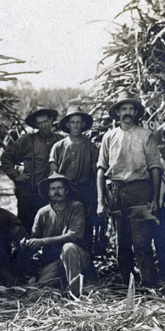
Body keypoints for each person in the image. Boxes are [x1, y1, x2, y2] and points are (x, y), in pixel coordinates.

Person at [96, 91, 165, 287]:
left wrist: (154, 198)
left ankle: (149, 283)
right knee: (122, 243)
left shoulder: (146, 135)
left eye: (131, 109)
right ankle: (126, 283)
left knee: (142, 242)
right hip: (117, 192)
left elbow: (155, 167)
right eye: (123, 109)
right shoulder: (109, 137)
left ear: (136, 112)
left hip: (139, 190)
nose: (127, 113)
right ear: (117, 113)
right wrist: (101, 201)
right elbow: (101, 169)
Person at [21, 172, 92, 298]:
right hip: (54, 262)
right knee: (36, 290)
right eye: (52, 189)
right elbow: (35, 239)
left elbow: (75, 235)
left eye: (59, 188)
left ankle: (75, 295)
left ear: (66, 191)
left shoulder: (76, 207)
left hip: (77, 258)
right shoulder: (43, 213)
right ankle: (61, 285)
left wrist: (43, 241)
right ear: (48, 192)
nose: (56, 192)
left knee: (69, 247)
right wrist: (27, 243)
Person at [0, 105, 60, 233]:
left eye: (46, 122)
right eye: (40, 123)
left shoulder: (60, 141)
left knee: (52, 229)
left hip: (53, 194)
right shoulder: (27, 141)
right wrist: (16, 176)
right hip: (29, 194)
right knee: (26, 229)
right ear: (36, 125)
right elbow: (5, 158)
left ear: (51, 120)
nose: (43, 126)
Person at [48, 101, 99, 251]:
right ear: (68, 125)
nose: (76, 126)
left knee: (85, 228)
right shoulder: (59, 146)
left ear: (83, 124)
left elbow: (96, 174)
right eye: (72, 122)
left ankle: (85, 264)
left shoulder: (91, 147)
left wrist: (96, 197)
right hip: (65, 192)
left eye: (78, 122)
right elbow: (53, 172)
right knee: (63, 226)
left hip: (85, 192)